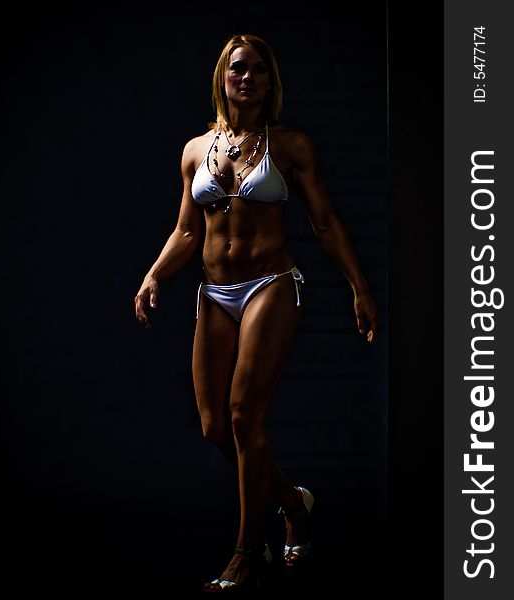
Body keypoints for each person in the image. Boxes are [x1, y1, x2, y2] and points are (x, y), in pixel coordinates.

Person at [134, 33, 378, 592]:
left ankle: (248, 551)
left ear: (270, 82)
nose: (247, 78)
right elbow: (186, 230)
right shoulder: (196, 148)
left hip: (271, 283)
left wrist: (359, 288)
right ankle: (293, 503)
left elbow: (326, 223)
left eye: (258, 70)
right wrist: (153, 275)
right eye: (237, 68)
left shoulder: (290, 145)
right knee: (216, 427)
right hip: (213, 293)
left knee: (245, 415)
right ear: (223, 75)